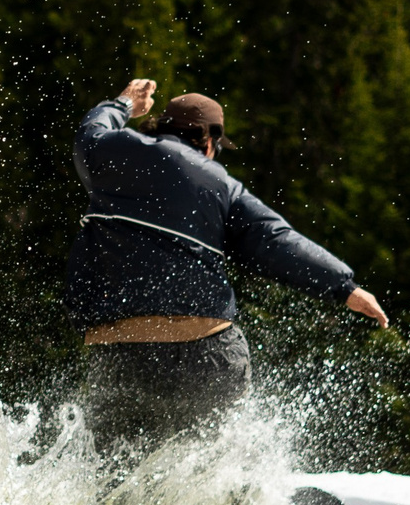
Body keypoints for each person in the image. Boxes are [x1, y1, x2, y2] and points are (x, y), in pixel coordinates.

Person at [67, 78, 388, 458]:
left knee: (111, 464)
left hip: (118, 349)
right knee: (212, 454)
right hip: (204, 349)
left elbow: (91, 130)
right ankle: (232, 494)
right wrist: (344, 286)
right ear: (208, 141)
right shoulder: (222, 185)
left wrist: (124, 103)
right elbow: (277, 241)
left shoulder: (112, 151)